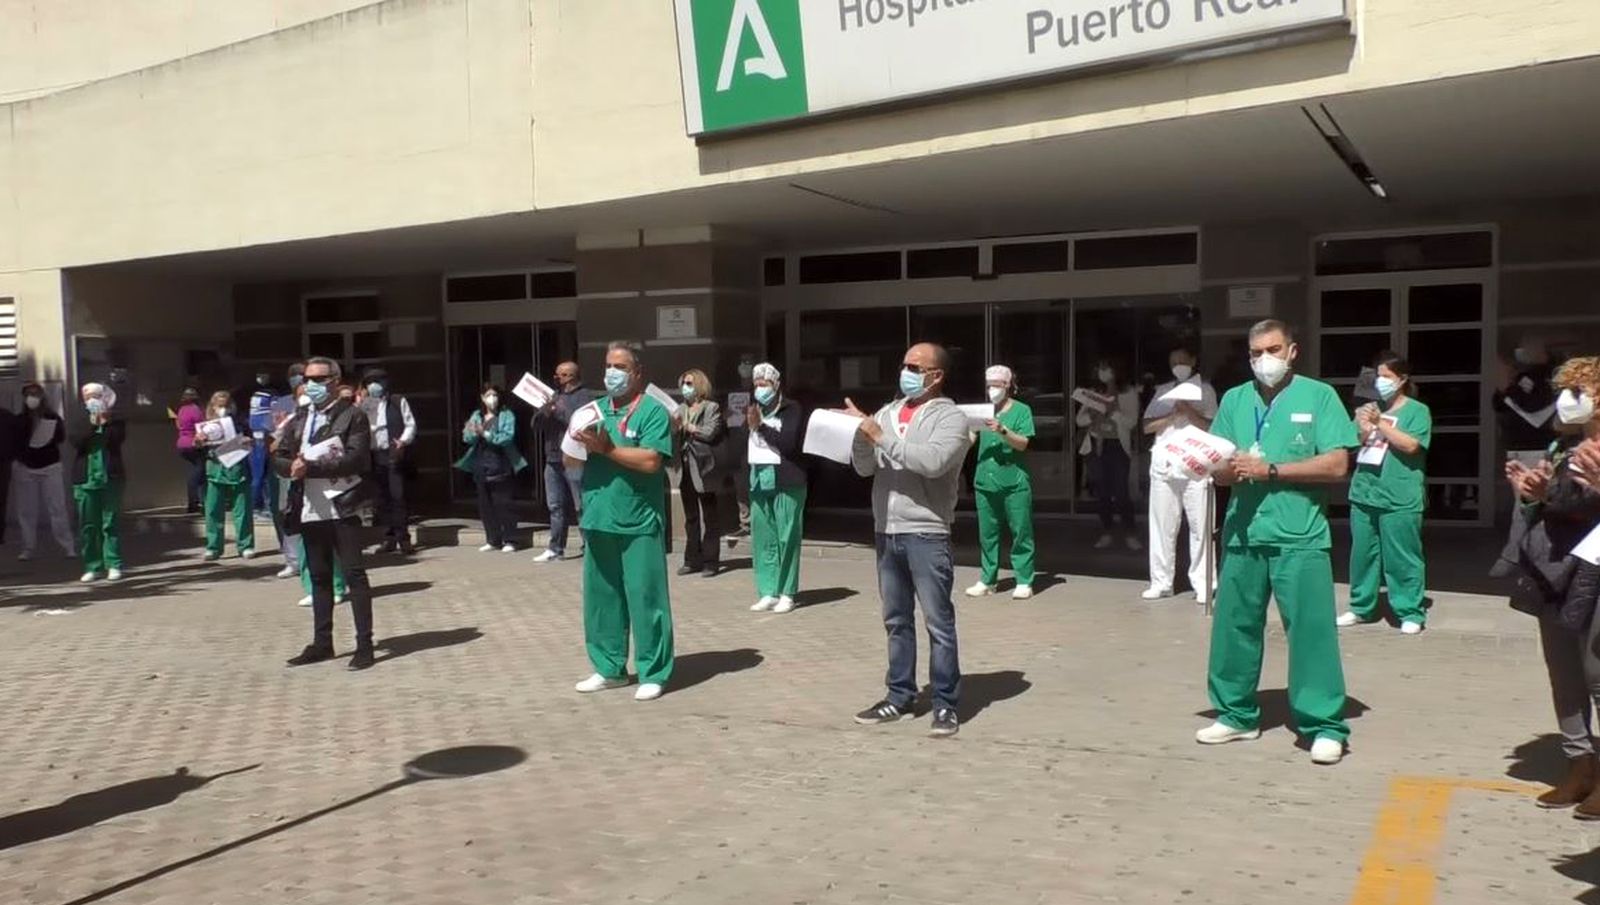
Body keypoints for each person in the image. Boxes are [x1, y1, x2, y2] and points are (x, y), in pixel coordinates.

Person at [1196, 320, 1358, 765]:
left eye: (1271, 349)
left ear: (1292, 351)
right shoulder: (1234, 399)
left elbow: (1336, 465)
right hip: (1245, 532)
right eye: (1254, 353)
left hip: (1299, 534)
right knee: (1234, 626)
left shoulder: (1318, 396)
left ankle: (1324, 724)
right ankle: (1235, 713)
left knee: (1310, 631)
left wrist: (1271, 470)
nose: (1263, 359)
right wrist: (1212, 466)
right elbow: (1223, 463)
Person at [847, 343, 972, 738]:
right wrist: (859, 438)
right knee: (896, 620)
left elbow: (932, 463)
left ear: (937, 376)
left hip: (927, 532)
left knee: (938, 622)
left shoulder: (951, 418)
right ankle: (899, 696)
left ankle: (945, 704)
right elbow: (865, 468)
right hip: (887, 531)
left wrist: (880, 436)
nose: (907, 371)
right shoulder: (885, 412)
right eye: (904, 364)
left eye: (916, 366)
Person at [1500, 357, 1600, 813]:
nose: (1567, 399)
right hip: (1556, 568)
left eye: (1579, 390)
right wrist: (1532, 490)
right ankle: (1580, 765)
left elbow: (1586, 503)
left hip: (1594, 571)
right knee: (1563, 672)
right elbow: (1559, 501)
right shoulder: (1563, 446)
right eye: (1566, 390)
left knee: (1596, 672)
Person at [570, 340, 676, 702]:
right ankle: (609, 668)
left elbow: (651, 461)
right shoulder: (593, 410)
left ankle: (653, 671)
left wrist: (609, 450)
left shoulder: (651, 412)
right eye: (608, 366)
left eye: (620, 367)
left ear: (637, 373)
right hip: (599, 516)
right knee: (601, 600)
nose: (612, 373)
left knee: (646, 598)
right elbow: (572, 462)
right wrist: (573, 447)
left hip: (638, 521)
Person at [274, 356, 378, 671]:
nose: (312, 385)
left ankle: (365, 645)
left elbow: (356, 459)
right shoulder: (301, 417)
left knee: (354, 575)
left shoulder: (353, 416)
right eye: (308, 379)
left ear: (335, 380)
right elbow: (279, 454)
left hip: (342, 505)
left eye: (319, 379)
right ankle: (323, 643)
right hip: (309, 507)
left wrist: (311, 467)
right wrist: (289, 466)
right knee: (318, 577)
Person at [1339, 352, 1433, 634]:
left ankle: (1409, 611)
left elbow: (1412, 446)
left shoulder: (1417, 411)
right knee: (1363, 554)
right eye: (1377, 376)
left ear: (1402, 380)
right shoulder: (1369, 408)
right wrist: (1363, 429)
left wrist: (1381, 423)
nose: (1381, 382)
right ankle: (1360, 606)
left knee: (1402, 555)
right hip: (1365, 492)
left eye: (1387, 377)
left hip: (1399, 494)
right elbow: (1350, 443)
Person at [1142, 348, 1219, 603]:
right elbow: (1146, 426)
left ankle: (1204, 583)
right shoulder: (1163, 390)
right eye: (1174, 361)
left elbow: (1213, 427)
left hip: (1195, 466)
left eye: (1184, 361)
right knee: (1162, 526)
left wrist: (1189, 410)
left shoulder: (1205, 390)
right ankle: (1161, 582)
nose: (1179, 365)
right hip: (1165, 465)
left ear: (1194, 361)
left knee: (1201, 527)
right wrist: (1173, 413)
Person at [966, 365, 1037, 600]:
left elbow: (1023, 443)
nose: (992, 390)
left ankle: (1024, 579)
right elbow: (970, 439)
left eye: (996, 385)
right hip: (985, 481)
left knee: (1020, 531)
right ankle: (988, 579)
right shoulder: (983, 411)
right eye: (989, 385)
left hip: (1014, 481)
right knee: (987, 533)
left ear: (1008, 385)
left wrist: (1003, 430)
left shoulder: (1022, 410)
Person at [746, 363, 807, 613]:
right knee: (764, 538)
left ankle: (787, 592)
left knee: (787, 537)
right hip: (759, 479)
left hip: (787, 480)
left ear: (776, 385)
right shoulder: (753, 409)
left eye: (765, 384)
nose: (760, 389)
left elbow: (789, 443)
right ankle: (768, 590)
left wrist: (761, 426)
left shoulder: (791, 409)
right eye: (757, 384)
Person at [1076, 359, 1142, 551]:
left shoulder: (1128, 392)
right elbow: (1080, 420)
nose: (1103, 373)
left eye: (1107, 368)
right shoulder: (1093, 391)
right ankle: (1107, 531)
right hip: (1097, 445)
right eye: (1100, 368)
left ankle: (1130, 532)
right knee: (1102, 493)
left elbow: (1131, 422)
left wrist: (1112, 412)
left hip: (1117, 446)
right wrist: (1093, 414)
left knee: (1121, 492)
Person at [533, 361, 595, 562]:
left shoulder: (585, 396)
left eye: (561, 375)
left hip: (574, 457)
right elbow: (535, 424)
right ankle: (555, 548)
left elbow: (581, 423)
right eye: (556, 375)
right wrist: (545, 411)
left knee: (580, 505)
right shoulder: (554, 396)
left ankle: (590, 548)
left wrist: (558, 411)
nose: (556, 378)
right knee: (555, 505)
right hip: (552, 458)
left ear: (571, 376)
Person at [455, 383, 524, 553]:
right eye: (488, 395)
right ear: (482, 397)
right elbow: (467, 437)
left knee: (504, 503)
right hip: (481, 462)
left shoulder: (506, 415)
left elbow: (507, 437)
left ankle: (510, 539)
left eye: (495, 395)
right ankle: (492, 539)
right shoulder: (477, 415)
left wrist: (485, 433)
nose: (492, 399)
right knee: (485, 504)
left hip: (501, 461)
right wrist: (472, 432)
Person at [672, 368, 726, 577]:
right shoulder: (680, 408)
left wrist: (690, 427)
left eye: (689, 383)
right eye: (684, 383)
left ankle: (711, 562)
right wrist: (674, 427)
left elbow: (711, 432)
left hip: (705, 467)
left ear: (700, 385)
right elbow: (673, 433)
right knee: (691, 517)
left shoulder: (711, 407)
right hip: (684, 466)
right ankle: (691, 559)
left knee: (710, 516)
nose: (685, 387)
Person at [71, 382, 127, 583]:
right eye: (88, 397)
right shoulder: (79, 417)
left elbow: (118, 439)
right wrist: (92, 424)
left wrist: (105, 421)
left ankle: (113, 564)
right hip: (85, 480)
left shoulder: (115, 419)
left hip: (109, 478)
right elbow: (76, 441)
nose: (92, 400)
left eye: (96, 396)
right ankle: (92, 566)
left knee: (109, 523)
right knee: (88, 525)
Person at [12, 383, 74, 560]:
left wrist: (48, 433)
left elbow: (61, 438)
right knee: (26, 510)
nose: (32, 397)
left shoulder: (52, 417)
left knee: (57, 507)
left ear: (42, 396)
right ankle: (28, 548)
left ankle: (68, 545)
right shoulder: (19, 419)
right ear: (24, 398)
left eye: (35, 394)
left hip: (49, 466)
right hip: (25, 468)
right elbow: (14, 442)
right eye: (28, 394)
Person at [361, 369, 418, 554]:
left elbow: (410, 424)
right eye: (369, 382)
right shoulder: (365, 404)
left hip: (393, 454)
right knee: (381, 500)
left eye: (376, 381)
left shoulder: (397, 400)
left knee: (397, 497)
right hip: (374, 456)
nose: (373, 386)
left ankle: (404, 538)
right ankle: (388, 537)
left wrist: (403, 441)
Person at [196, 390, 256, 561]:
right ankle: (213, 547)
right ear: (213, 406)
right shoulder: (207, 425)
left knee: (242, 510)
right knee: (213, 510)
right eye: (219, 406)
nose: (223, 409)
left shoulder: (240, 423)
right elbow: (197, 447)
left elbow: (251, 441)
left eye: (226, 405)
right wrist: (198, 441)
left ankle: (246, 545)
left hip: (238, 469)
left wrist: (247, 441)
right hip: (215, 470)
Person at [247, 372, 277, 515]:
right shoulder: (271, 396)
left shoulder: (252, 395)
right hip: (265, 437)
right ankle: (263, 506)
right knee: (264, 475)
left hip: (255, 437)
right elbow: (276, 416)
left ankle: (256, 505)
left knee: (257, 475)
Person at [174, 388, 205, 514]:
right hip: (194, 444)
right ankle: (196, 502)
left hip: (182, 443)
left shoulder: (181, 410)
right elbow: (202, 426)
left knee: (194, 472)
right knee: (199, 474)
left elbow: (178, 425)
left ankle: (196, 502)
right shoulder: (195, 410)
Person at [0, 396, 17, 547]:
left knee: (1, 499)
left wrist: (11, 456)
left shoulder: (7, 417)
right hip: (5, 461)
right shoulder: (8, 416)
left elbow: (16, 439)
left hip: (3, 463)